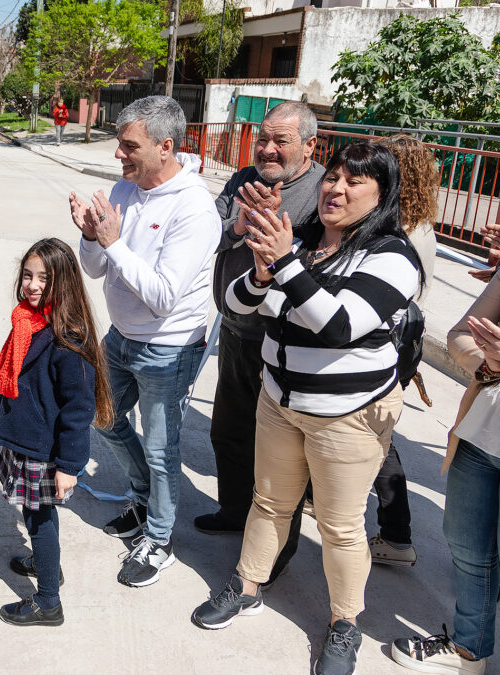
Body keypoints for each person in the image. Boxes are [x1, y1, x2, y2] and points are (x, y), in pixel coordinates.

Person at [190, 142, 423, 675]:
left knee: (340, 525)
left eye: (353, 182)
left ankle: (345, 624)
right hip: (279, 400)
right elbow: (238, 305)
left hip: (347, 414)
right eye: (332, 177)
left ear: (382, 195)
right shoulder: (304, 241)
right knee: (269, 502)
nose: (335, 189)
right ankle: (246, 586)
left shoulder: (392, 256)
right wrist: (261, 273)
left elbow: (339, 325)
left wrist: (285, 263)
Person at [69, 95, 220, 588]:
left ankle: (159, 537)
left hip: (168, 348)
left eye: (129, 146)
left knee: (160, 449)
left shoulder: (193, 207)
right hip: (121, 338)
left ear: (165, 146)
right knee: (103, 417)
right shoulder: (125, 188)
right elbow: (95, 269)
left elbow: (161, 297)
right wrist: (91, 237)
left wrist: (113, 242)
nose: (118, 154)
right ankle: (143, 498)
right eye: (119, 142)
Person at [197, 102, 324, 549]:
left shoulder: (323, 190)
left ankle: (274, 544)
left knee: (280, 450)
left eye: (280, 141)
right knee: (228, 431)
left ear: (309, 145)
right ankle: (234, 511)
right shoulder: (241, 181)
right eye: (262, 139)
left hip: (285, 340)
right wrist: (239, 227)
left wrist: (271, 232)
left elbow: (321, 260)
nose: (267, 149)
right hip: (235, 330)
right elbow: (207, 235)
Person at [0, 238, 112, 627]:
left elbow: (79, 410)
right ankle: (46, 564)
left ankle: (48, 602)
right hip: (28, 439)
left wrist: (69, 466)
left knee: (40, 519)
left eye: (44, 278)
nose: (32, 285)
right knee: (33, 514)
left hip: (44, 450)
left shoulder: (68, 338)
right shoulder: (29, 320)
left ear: (65, 282)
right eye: (28, 275)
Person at [386, 274, 500, 675]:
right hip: (481, 433)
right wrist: (487, 362)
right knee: (468, 546)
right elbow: (459, 336)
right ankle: (469, 648)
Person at [356, 133, 439, 569]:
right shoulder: (419, 222)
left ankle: (396, 535)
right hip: (402, 341)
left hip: (386, 341)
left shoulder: (397, 226)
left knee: (377, 437)